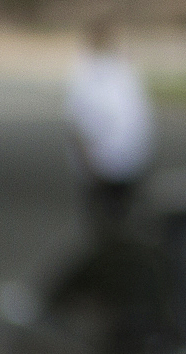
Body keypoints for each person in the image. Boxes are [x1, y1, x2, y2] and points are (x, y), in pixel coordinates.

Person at [62, 18, 153, 228]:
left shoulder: (118, 72)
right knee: (110, 220)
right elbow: (77, 122)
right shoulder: (91, 73)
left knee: (116, 219)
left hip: (122, 162)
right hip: (109, 163)